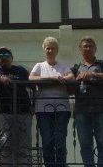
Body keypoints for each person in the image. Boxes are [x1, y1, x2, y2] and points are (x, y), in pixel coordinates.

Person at [0, 46, 33, 167]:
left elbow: (33, 85)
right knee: (5, 143)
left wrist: (35, 104)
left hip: (24, 112)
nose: (3, 57)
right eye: (0, 55)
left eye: (6, 55)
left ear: (12, 58)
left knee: (24, 144)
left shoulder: (20, 70)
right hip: (6, 112)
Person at [29, 37, 74, 167]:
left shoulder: (63, 65)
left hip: (62, 108)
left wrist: (61, 78)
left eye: (53, 48)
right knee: (47, 141)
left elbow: (71, 76)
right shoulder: (39, 65)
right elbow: (31, 78)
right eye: (48, 48)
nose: (50, 50)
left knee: (60, 141)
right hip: (43, 109)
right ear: (44, 50)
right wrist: (51, 78)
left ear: (57, 51)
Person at [72, 37, 103, 167]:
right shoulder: (76, 67)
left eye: (91, 46)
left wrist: (91, 75)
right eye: (85, 46)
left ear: (95, 49)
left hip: (101, 108)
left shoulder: (102, 63)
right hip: (82, 109)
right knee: (85, 144)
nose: (88, 48)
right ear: (80, 49)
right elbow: (70, 86)